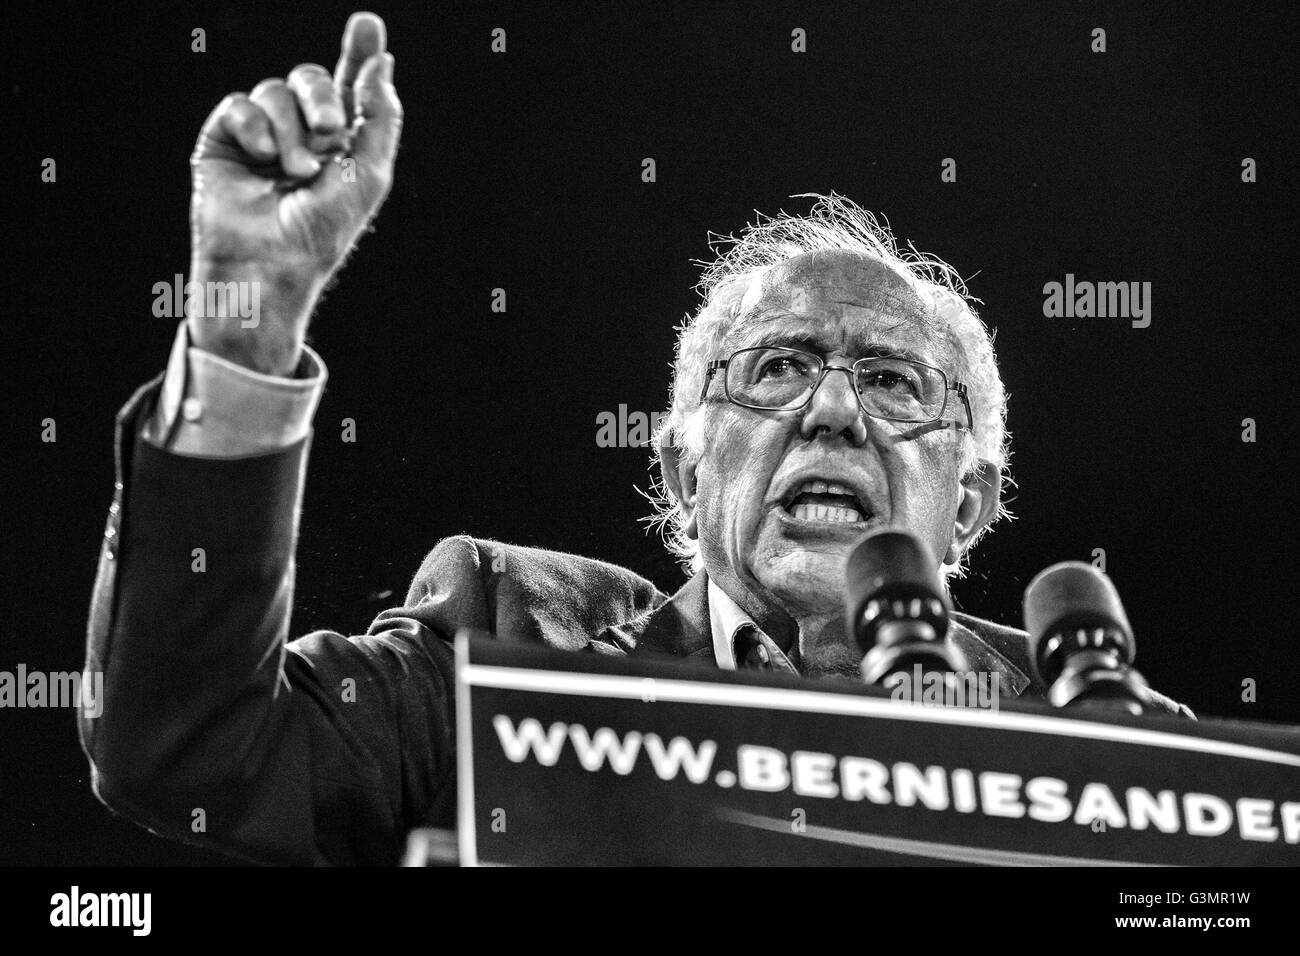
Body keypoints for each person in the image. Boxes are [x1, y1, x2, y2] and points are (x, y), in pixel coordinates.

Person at [79, 12, 1192, 866]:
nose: (834, 410)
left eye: (895, 382)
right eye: (779, 366)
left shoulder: (1100, 738)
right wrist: (247, 320)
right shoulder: (502, 636)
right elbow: (186, 747)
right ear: (684, 467)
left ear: (970, 501)